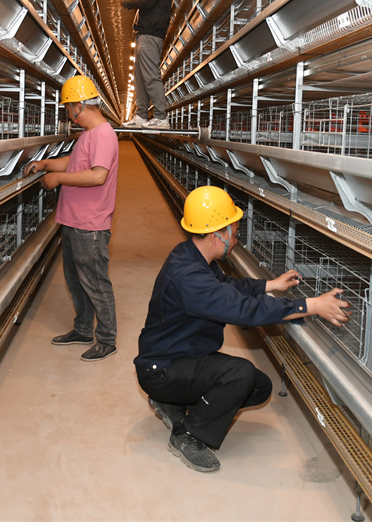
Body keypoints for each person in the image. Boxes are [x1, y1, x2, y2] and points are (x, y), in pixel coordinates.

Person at [134, 185, 350, 472]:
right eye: (234, 232)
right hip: (162, 369)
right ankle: (188, 436)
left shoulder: (191, 255)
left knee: (259, 387)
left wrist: (270, 284)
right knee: (240, 374)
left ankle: (170, 402)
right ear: (217, 235)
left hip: (182, 355)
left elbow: (227, 287)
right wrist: (310, 305)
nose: (236, 239)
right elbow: (245, 311)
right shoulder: (190, 277)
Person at [24, 75, 119, 362]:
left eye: (68, 107)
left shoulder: (103, 134)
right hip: (74, 220)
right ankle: (82, 330)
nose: (68, 113)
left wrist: (58, 179)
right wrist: (46, 164)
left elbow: (97, 175)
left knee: (95, 283)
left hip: (90, 225)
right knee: (76, 281)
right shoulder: (88, 134)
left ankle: (107, 339)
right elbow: (74, 162)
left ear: (79, 105)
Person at [113, 0, 173, 130]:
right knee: (140, 77)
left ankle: (161, 117)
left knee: (150, 75)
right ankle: (141, 115)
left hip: (151, 34)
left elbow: (146, 0)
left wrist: (126, 1)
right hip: (143, 34)